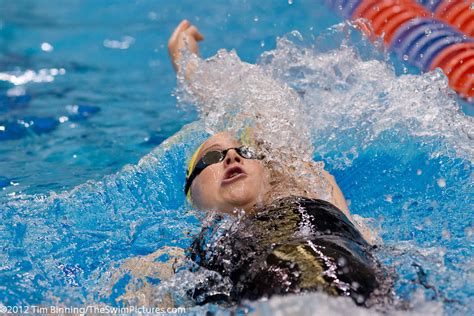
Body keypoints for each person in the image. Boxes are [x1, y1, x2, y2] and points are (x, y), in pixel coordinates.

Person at [168, 20, 392, 307]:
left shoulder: (303, 186)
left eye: (246, 151)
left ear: (269, 170)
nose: (233, 157)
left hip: (353, 284)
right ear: (192, 194)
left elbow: (253, 107)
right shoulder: (191, 259)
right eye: (213, 156)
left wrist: (188, 65)